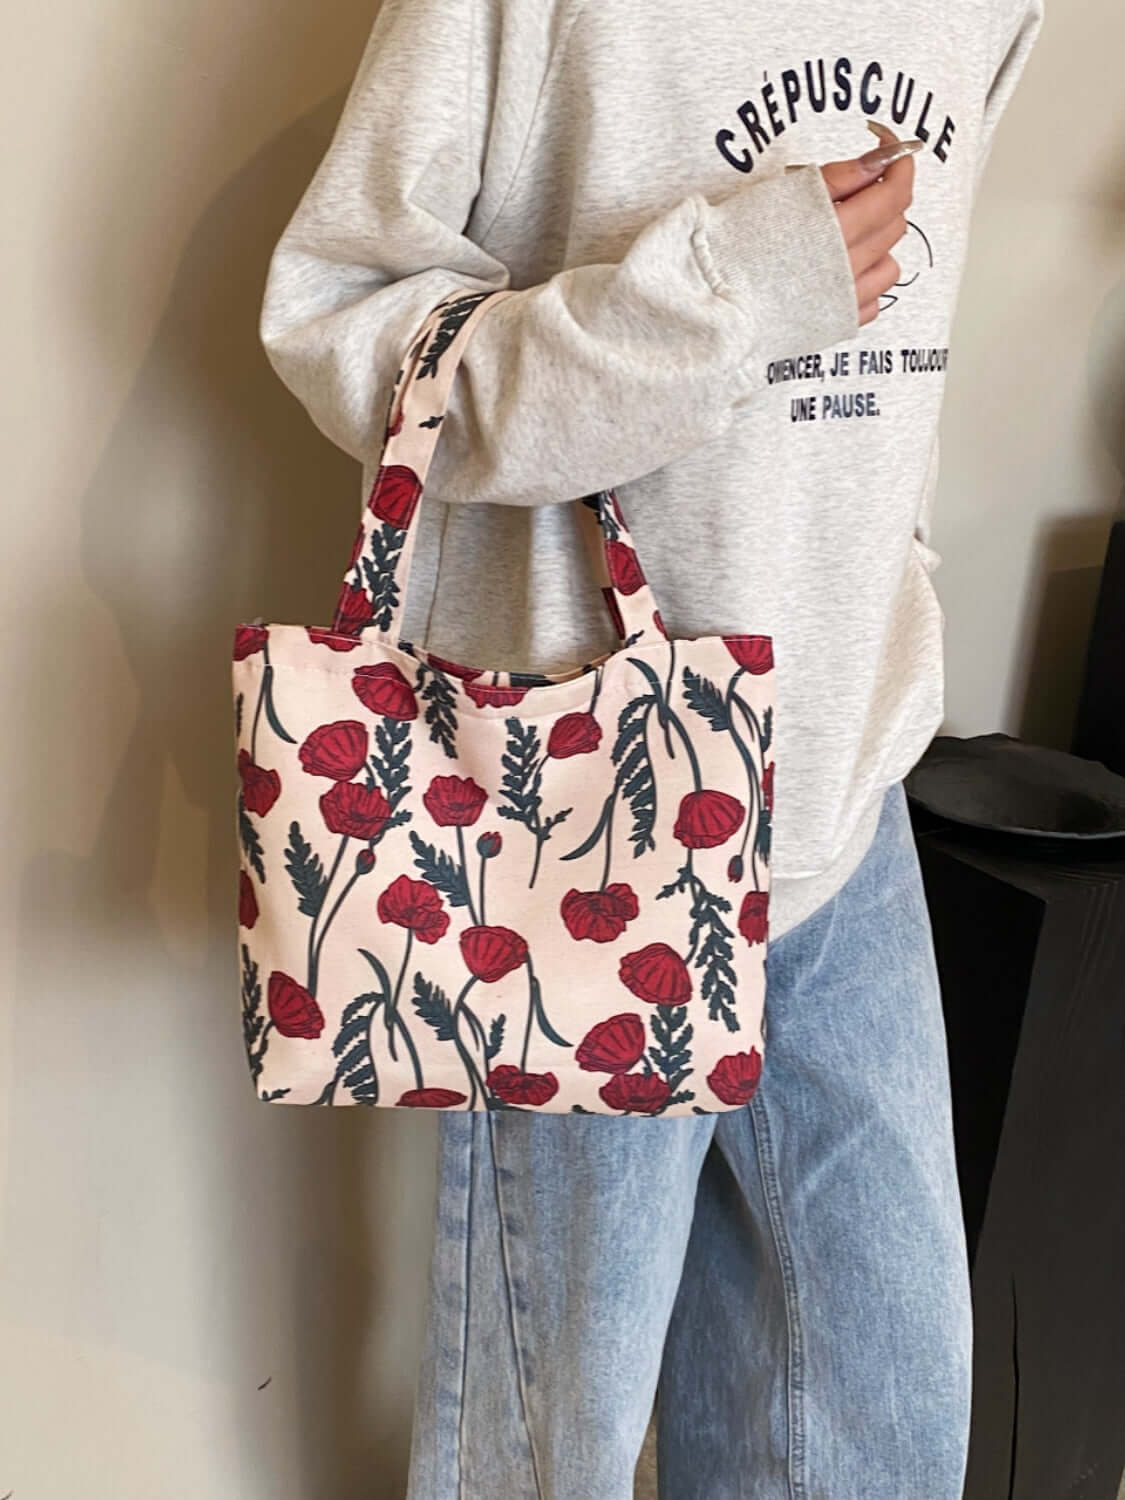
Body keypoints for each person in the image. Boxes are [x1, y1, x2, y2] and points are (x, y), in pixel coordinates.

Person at [258, 0, 1045, 1493]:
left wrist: (895, 579)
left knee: (880, 1429)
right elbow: (343, 326)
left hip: (846, 792)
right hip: (581, 807)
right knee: (543, 1436)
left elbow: (908, 349)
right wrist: (727, 300)